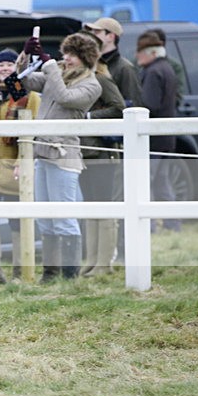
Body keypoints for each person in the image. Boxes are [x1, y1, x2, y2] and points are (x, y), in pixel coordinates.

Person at [19, 32, 102, 281]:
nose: (67, 59)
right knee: (45, 219)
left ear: (85, 58)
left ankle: (70, 276)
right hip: (41, 154)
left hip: (64, 157)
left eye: (73, 55)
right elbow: (24, 82)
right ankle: (50, 273)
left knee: (64, 217)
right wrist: (25, 55)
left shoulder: (91, 85)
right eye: (65, 53)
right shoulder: (57, 75)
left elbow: (65, 97)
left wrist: (50, 65)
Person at [0, 48, 41, 283]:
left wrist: (21, 163)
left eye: (9, 64)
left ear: (17, 68)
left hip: (13, 168)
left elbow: (32, 134)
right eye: (0, 65)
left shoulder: (29, 96)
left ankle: (19, 271)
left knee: (18, 220)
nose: (4, 68)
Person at [76, 31, 126, 277]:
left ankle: (104, 262)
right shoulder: (77, 79)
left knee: (104, 204)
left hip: (102, 152)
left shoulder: (101, 78)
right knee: (89, 205)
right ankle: (92, 259)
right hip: (84, 152)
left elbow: (119, 108)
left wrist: (88, 117)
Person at [136, 30, 181, 233]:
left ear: (152, 52)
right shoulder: (167, 68)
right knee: (163, 182)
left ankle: (150, 226)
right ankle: (173, 225)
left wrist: (133, 105)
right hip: (167, 137)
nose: (137, 56)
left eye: (141, 52)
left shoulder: (153, 72)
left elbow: (150, 104)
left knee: (146, 182)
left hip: (153, 139)